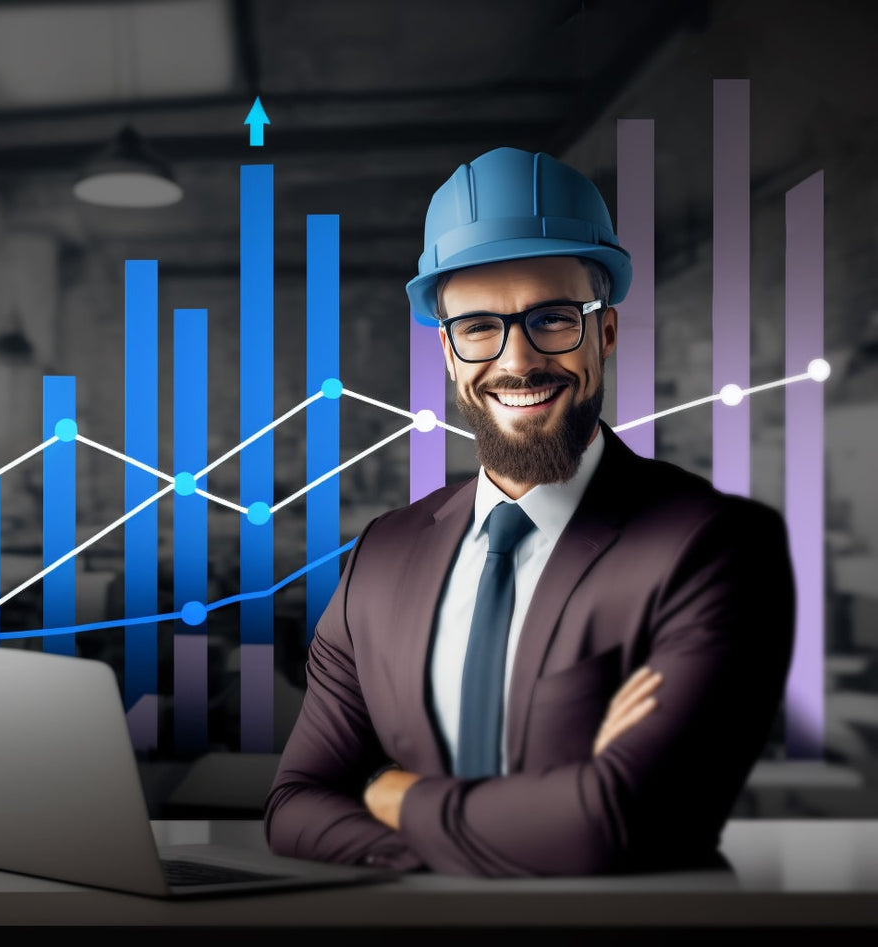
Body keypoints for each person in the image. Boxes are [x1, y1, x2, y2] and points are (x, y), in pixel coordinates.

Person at [263, 146, 796, 876]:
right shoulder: (380, 559)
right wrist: (520, 825)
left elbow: (614, 822)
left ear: (605, 333)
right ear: (449, 354)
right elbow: (293, 805)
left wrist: (387, 792)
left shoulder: (713, 548)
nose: (515, 361)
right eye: (479, 326)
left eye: (552, 318)